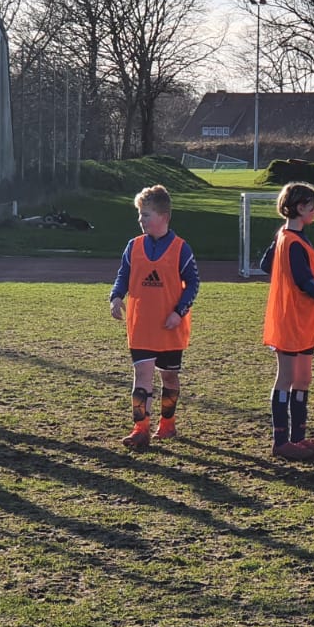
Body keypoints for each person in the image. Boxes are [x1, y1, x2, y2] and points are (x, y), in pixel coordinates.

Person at [111, 185, 200, 450]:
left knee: (169, 378)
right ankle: (140, 428)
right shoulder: (133, 246)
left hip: (170, 326)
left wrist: (178, 312)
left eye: (146, 214)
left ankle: (168, 424)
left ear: (164, 216)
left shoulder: (181, 248)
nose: (141, 220)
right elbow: (123, 275)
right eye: (140, 214)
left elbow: (193, 284)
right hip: (141, 325)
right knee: (142, 376)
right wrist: (116, 296)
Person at [259, 182, 314, 462]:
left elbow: (264, 265)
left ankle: (299, 437)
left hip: (303, 320)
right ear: (300, 207)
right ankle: (281, 441)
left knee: (303, 378)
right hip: (290, 320)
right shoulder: (290, 239)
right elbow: (304, 281)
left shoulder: (289, 234)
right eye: (312, 206)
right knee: (287, 377)